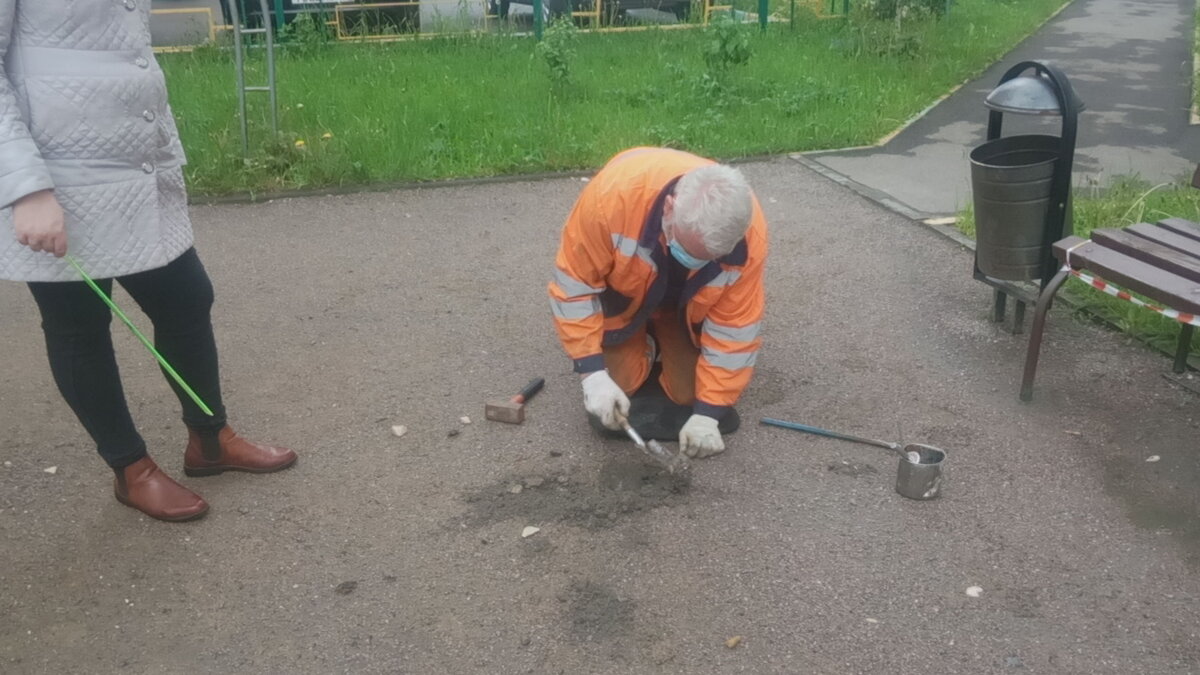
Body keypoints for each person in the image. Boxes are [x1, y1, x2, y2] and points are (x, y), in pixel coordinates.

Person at [0, 1, 296, 522]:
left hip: (139, 160)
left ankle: (209, 441)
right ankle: (130, 469)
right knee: (79, 327)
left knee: (186, 297)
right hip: (54, 178)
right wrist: (26, 188)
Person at [548, 147, 767, 459]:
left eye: (706, 259)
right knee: (615, 392)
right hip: (625, 297)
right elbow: (574, 289)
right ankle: (642, 336)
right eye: (688, 249)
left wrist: (709, 413)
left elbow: (736, 330)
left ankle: (664, 331)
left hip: (684, 306)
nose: (693, 261)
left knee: (690, 396)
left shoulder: (746, 233)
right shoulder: (609, 202)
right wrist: (591, 372)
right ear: (669, 208)